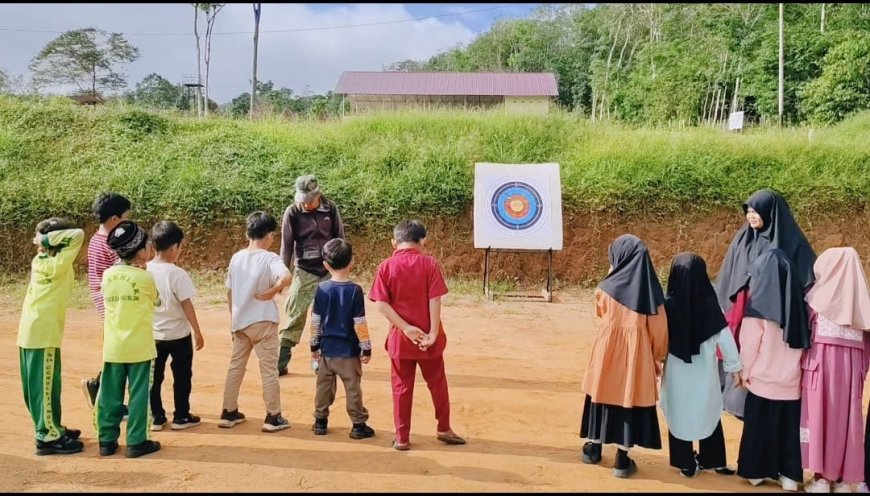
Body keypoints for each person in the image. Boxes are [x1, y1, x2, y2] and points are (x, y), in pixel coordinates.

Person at [715, 189, 816, 419]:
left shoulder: (792, 241)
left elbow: (806, 276)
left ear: (770, 212)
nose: (751, 216)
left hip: (777, 311)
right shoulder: (743, 238)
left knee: (768, 352)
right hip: (744, 307)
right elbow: (730, 274)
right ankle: (735, 400)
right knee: (742, 348)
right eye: (748, 211)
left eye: (756, 211)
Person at [369, 220, 465, 451]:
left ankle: (402, 437)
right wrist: (431, 332)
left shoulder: (386, 266)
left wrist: (406, 328)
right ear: (423, 241)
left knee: (401, 388)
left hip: (402, 340)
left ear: (394, 242)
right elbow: (435, 299)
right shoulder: (429, 264)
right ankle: (444, 428)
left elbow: (381, 304)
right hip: (429, 340)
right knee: (438, 384)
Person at [580, 234, 668, 479]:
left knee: (601, 394)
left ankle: (593, 448)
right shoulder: (651, 294)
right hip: (636, 355)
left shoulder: (605, 288)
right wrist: (657, 358)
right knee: (628, 399)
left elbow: (600, 312)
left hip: (606, 351)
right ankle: (621, 458)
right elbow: (659, 332)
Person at [660, 253, 742, 478]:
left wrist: (655, 362)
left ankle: (685, 463)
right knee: (709, 411)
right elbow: (726, 339)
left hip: (677, 374)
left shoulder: (667, 307)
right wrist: (735, 367)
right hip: (705, 375)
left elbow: (659, 339)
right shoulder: (710, 306)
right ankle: (713, 459)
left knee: (678, 413)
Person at [735, 249, 811, 491]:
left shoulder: (757, 309)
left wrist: (744, 374)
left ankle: (756, 472)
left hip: (761, 383)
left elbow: (749, 347)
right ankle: (789, 476)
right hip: (791, 385)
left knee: (758, 431)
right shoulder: (801, 307)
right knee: (789, 434)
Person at [799, 248, 870, 493]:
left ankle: (821, 479)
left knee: (820, 417)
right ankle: (841, 478)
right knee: (846, 420)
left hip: (820, 367)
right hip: (851, 373)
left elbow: (802, 333)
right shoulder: (862, 303)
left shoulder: (816, 298)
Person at [17, 218, 85, 455]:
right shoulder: (58, 261)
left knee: (46, 385)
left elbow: (72, 235)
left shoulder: (43, 260)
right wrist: (43, 238)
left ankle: (52, 427)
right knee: (44, 387)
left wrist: (44, 240)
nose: (36, 244)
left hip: (35, 331)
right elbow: (77, 234)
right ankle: (47, 435)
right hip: (42, 334)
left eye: (40, 239)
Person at [220, 211, 293, 432]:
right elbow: (287, 277)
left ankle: (228, 411)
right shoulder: (270, 257)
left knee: (235, 368)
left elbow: (229, 292)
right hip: (263, 321)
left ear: (247, 233)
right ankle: (273, 416)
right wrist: (273, 290)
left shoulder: (237, 258)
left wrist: (234, 320)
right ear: (269, 236)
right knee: (269, 370)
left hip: (241, 322)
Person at [97, 220, 161, 458]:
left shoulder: (108, 275)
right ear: (140, 250)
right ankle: (136, 441)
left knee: (110, 395)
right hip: (140, 347)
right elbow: (157, 301)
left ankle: (106, 440)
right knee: (139, 395)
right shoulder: (146, 278)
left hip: (113, 346)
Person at [277, 175, 345, 375]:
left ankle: (320, 360)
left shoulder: (330, 209)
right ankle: (280, 361)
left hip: (328, 270)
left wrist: (339, 268)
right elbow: (286, 246)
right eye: (302, 200)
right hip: (304, 271)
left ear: (318, 195)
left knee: (326, 318)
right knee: (293, 315)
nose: (305, 204)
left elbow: (340, 239)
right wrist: (283, 275)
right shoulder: (292, 212)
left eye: (309, 200)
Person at [309, 238, 375, 440]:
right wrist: (366, 348)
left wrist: (314, 345)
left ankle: (320, 421)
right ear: (352, 261)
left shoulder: (321, 289)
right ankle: (358, 424)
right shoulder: (354, 290)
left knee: (323, 387)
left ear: (325, 265)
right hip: (348, 352)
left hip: (327, 351)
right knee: (353, 388)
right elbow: (359, 323)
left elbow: (315, 321)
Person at [146, 221, 205, 432]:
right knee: (182, 376)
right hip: (178, 336)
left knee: (154, 377)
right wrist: (197, 331)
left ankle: (156, 416)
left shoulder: (144, 271)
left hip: (153, 335)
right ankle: (181, 415)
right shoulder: (177, 274)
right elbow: (186, 304)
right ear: (174, 248)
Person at [82, 192, 132, 420]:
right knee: (121, 354)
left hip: (102, 299)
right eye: (125, 217)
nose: (128, 221)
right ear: (114, 219)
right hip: (113, 304)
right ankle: (106, 396)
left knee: (117, 350)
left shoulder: (95, 239)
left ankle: (100, 389)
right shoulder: (111, 244)